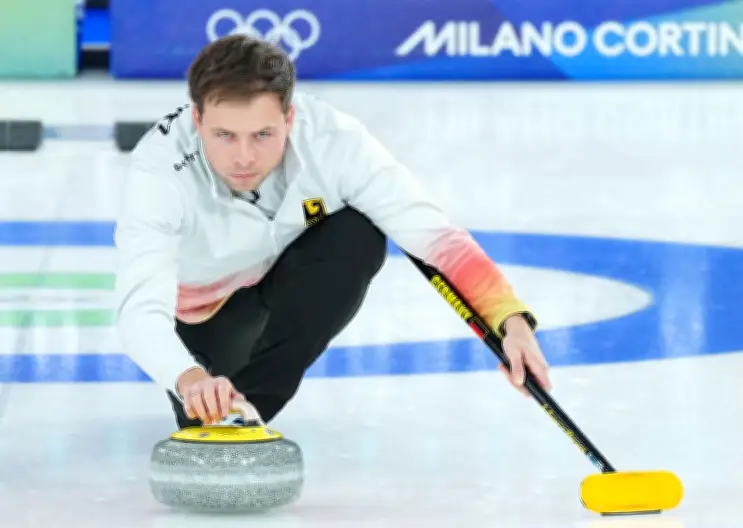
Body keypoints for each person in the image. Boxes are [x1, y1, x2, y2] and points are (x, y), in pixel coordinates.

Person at [113, 35, 551, 429]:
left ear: (290, 116)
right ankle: (216, 405)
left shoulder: (335, 141)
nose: (243, 157)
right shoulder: (159, 171)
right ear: (197, 118)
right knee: (197, 403)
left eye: (263, 134)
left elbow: (436, 238)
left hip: (280, 290)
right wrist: (189, 377)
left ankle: (249, 413)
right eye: (224, 135)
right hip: (201, 319)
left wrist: (510, 321)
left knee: (358, 233)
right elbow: (138, 309)